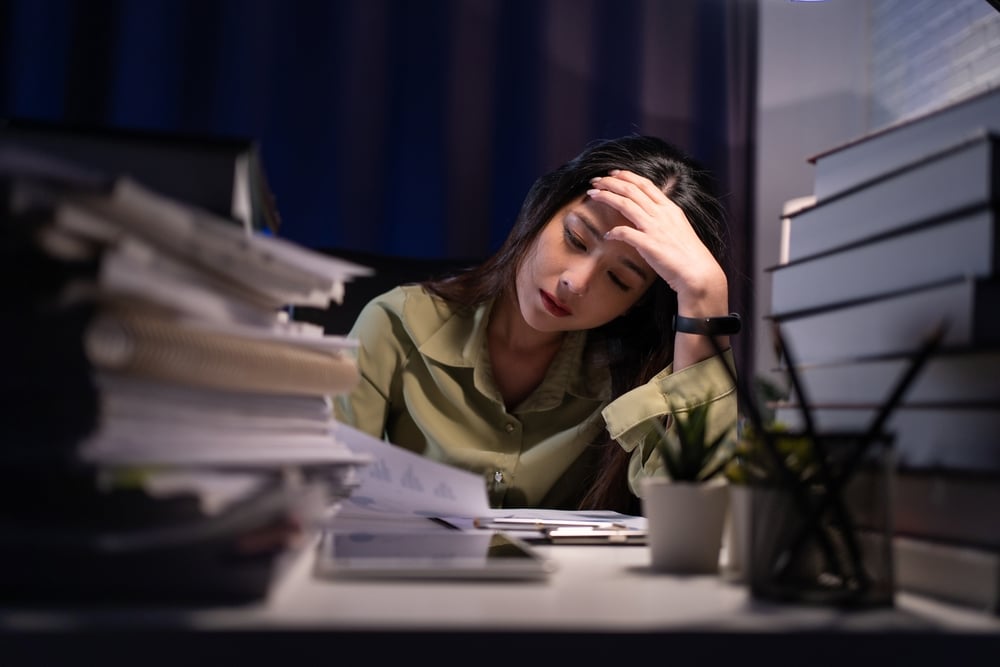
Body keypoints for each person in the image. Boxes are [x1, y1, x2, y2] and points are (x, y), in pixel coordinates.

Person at [333, 135, 738, 515]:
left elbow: (694, 516)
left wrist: (705, 295)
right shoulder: (396, 323)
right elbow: (321, 495)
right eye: (576, 238)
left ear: (636, 304)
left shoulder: (633, 376)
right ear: (542, 208)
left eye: (619, 280)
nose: (576, 282)